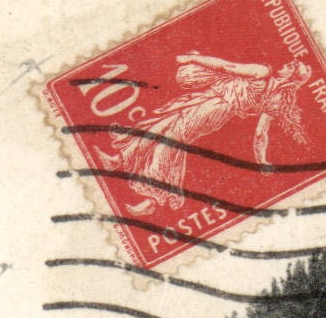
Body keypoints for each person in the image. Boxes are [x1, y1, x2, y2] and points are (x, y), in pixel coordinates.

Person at [94, 53, 311, 216]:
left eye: (291, 65)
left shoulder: (262, 72)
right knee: (162, 124)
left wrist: (193, 58)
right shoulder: (278, 100)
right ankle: (120, 159)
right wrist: (261, 160)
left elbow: (226, 66)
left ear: (292, 76)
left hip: (215, 105)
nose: (286, 64)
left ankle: (152, 197)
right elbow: (260, 135)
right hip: (211, 103)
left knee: (170, 141)